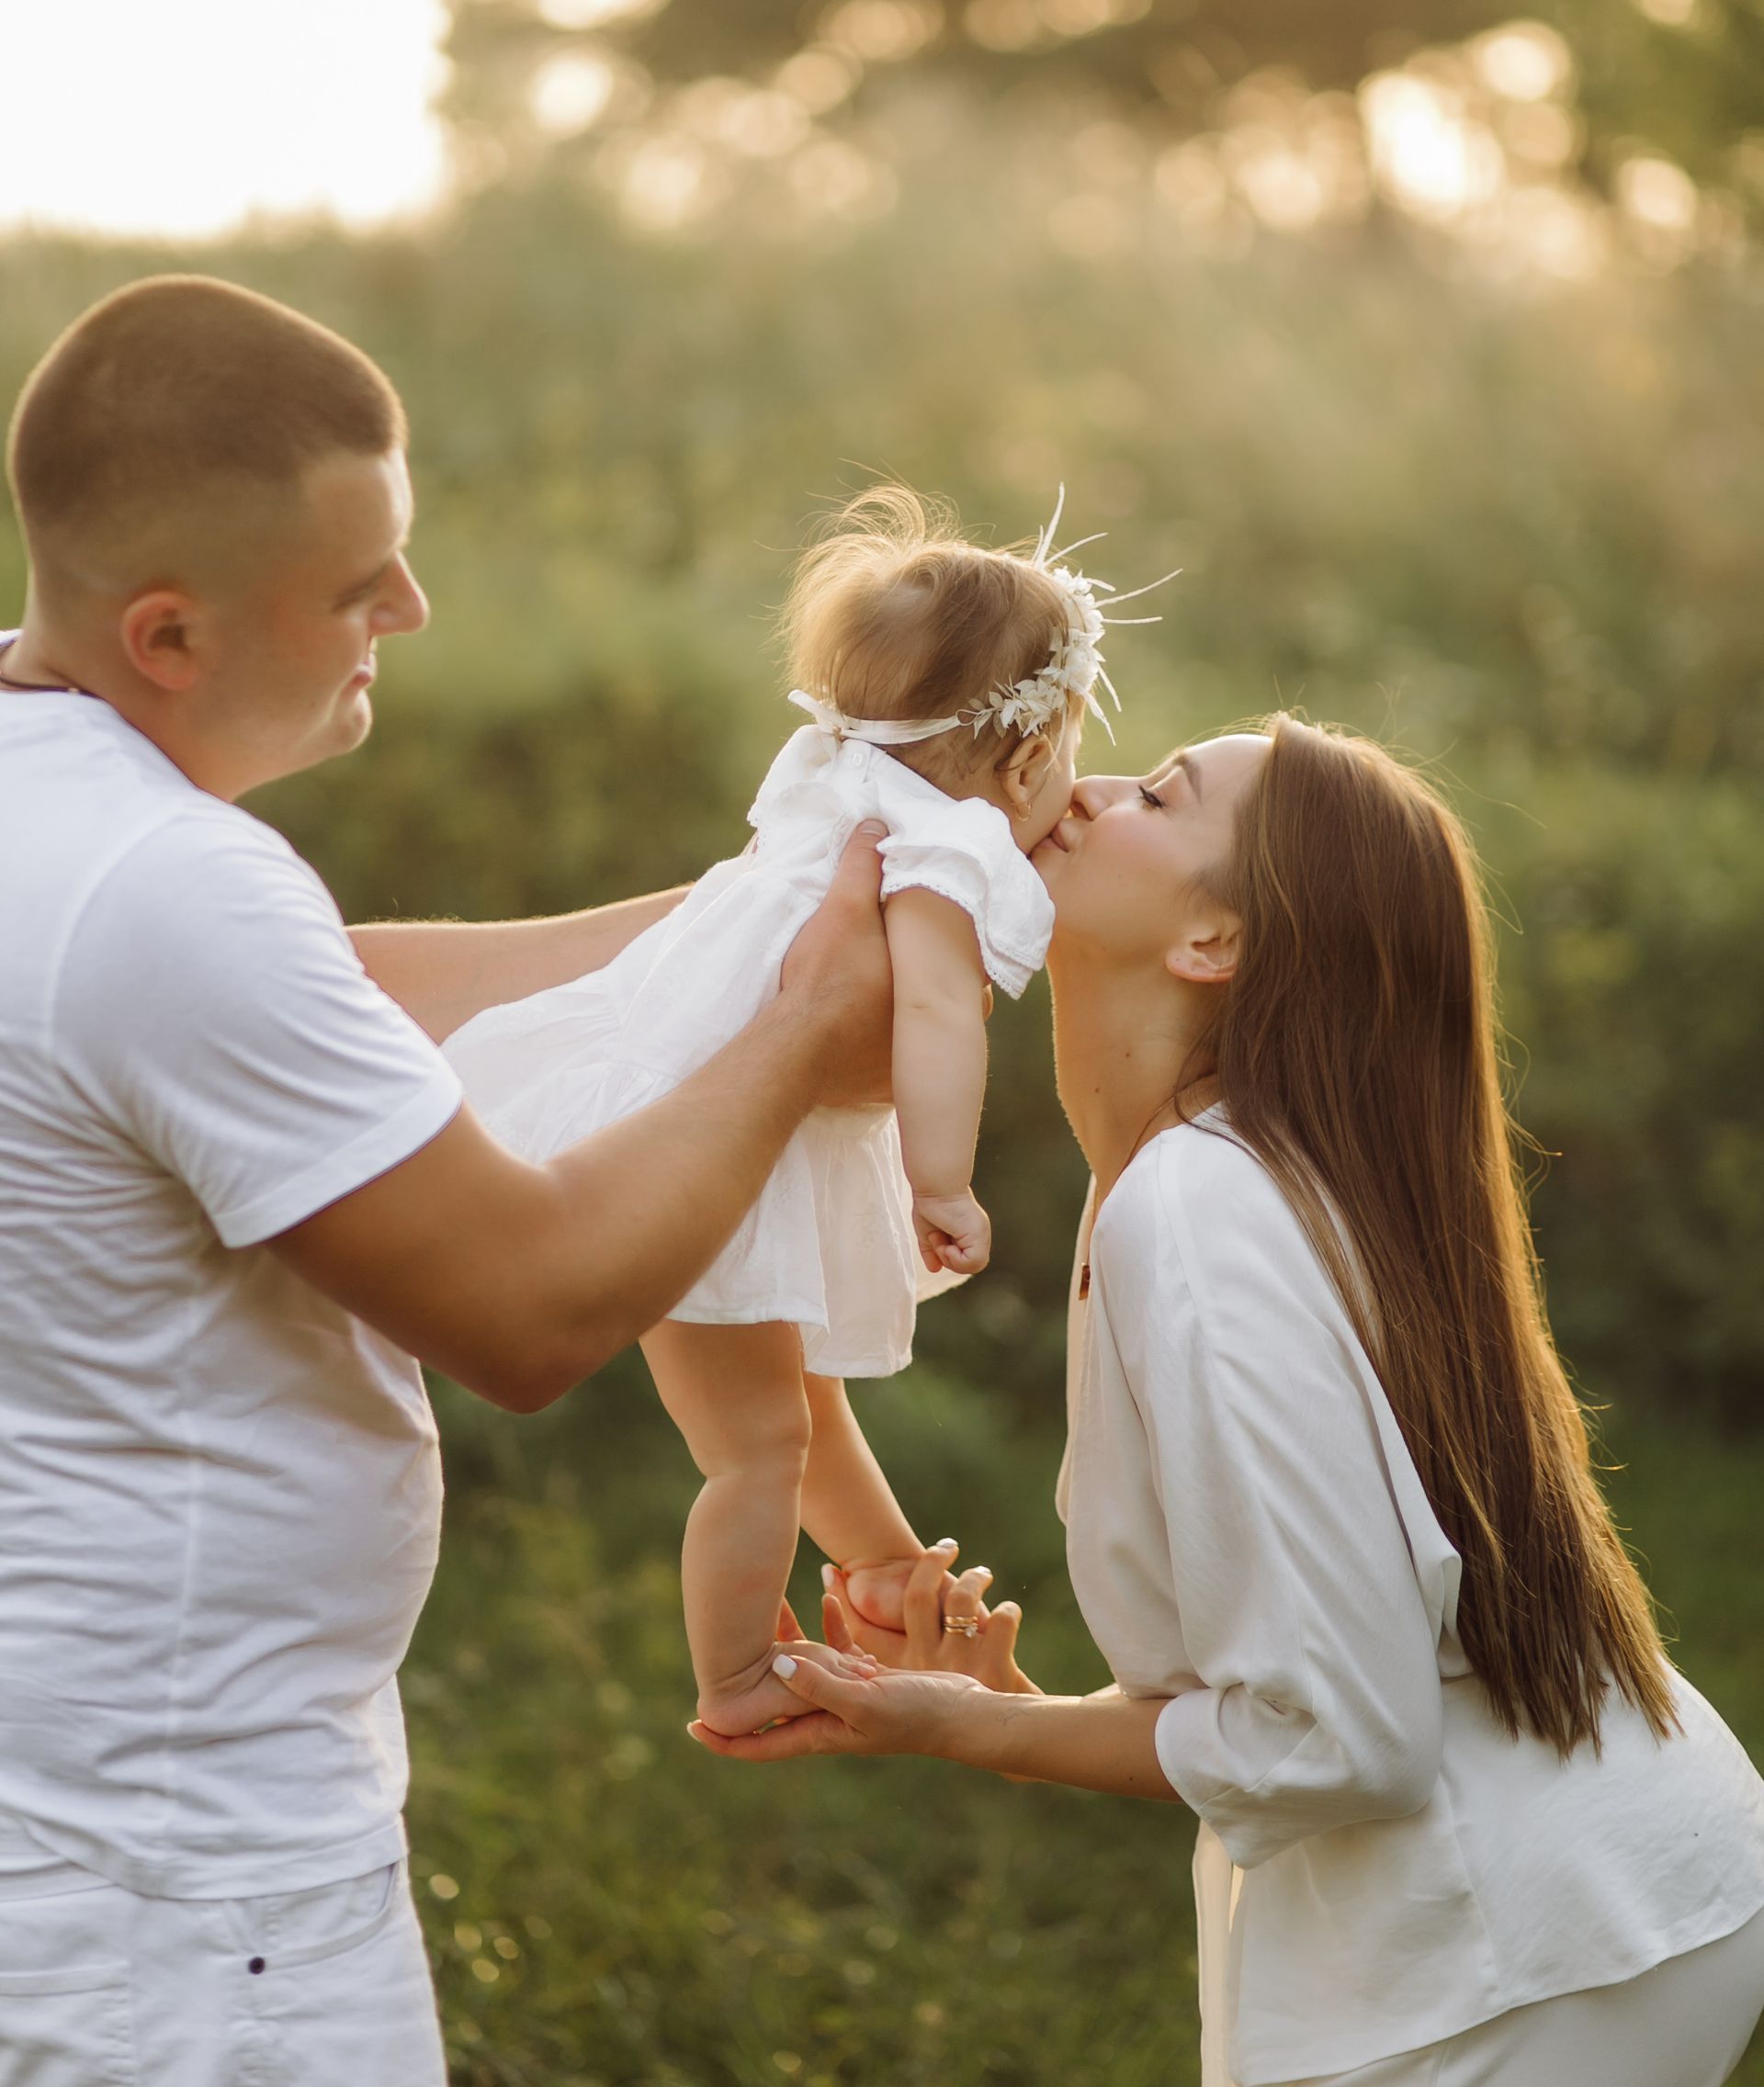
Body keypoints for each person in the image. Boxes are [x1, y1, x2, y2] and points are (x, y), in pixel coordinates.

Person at [0, 275, 892, 2086]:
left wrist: (754, 928)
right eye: (358, 584)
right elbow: (532, 1307)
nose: (409, 609)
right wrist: (799, 1035)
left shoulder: (61, 807)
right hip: (181, 1893)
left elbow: (335, 1004)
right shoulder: (168, 889)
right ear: (168, 636)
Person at [699, 716, 1764, 2087]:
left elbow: (1344, 1732)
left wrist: (968, 1727)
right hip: (1588, 1900)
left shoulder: (1198, 1211)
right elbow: (1302, 1680)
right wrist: (1013, 1710)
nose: (1080, 794)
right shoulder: (1188, 1178)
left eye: (1155, 794)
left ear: (1214, 940)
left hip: (1541, 1951)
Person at [446, 486, 1150, 1738]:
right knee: (760, 1445)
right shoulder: (951, 847)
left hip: (662, 1128)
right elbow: (933, 1012)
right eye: (1074, 758)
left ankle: (875, 1560)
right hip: (725, 1162)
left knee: (792, 1406)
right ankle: (731, 1678)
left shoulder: (832, 780)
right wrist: (941, 1181)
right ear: (1031, 756)